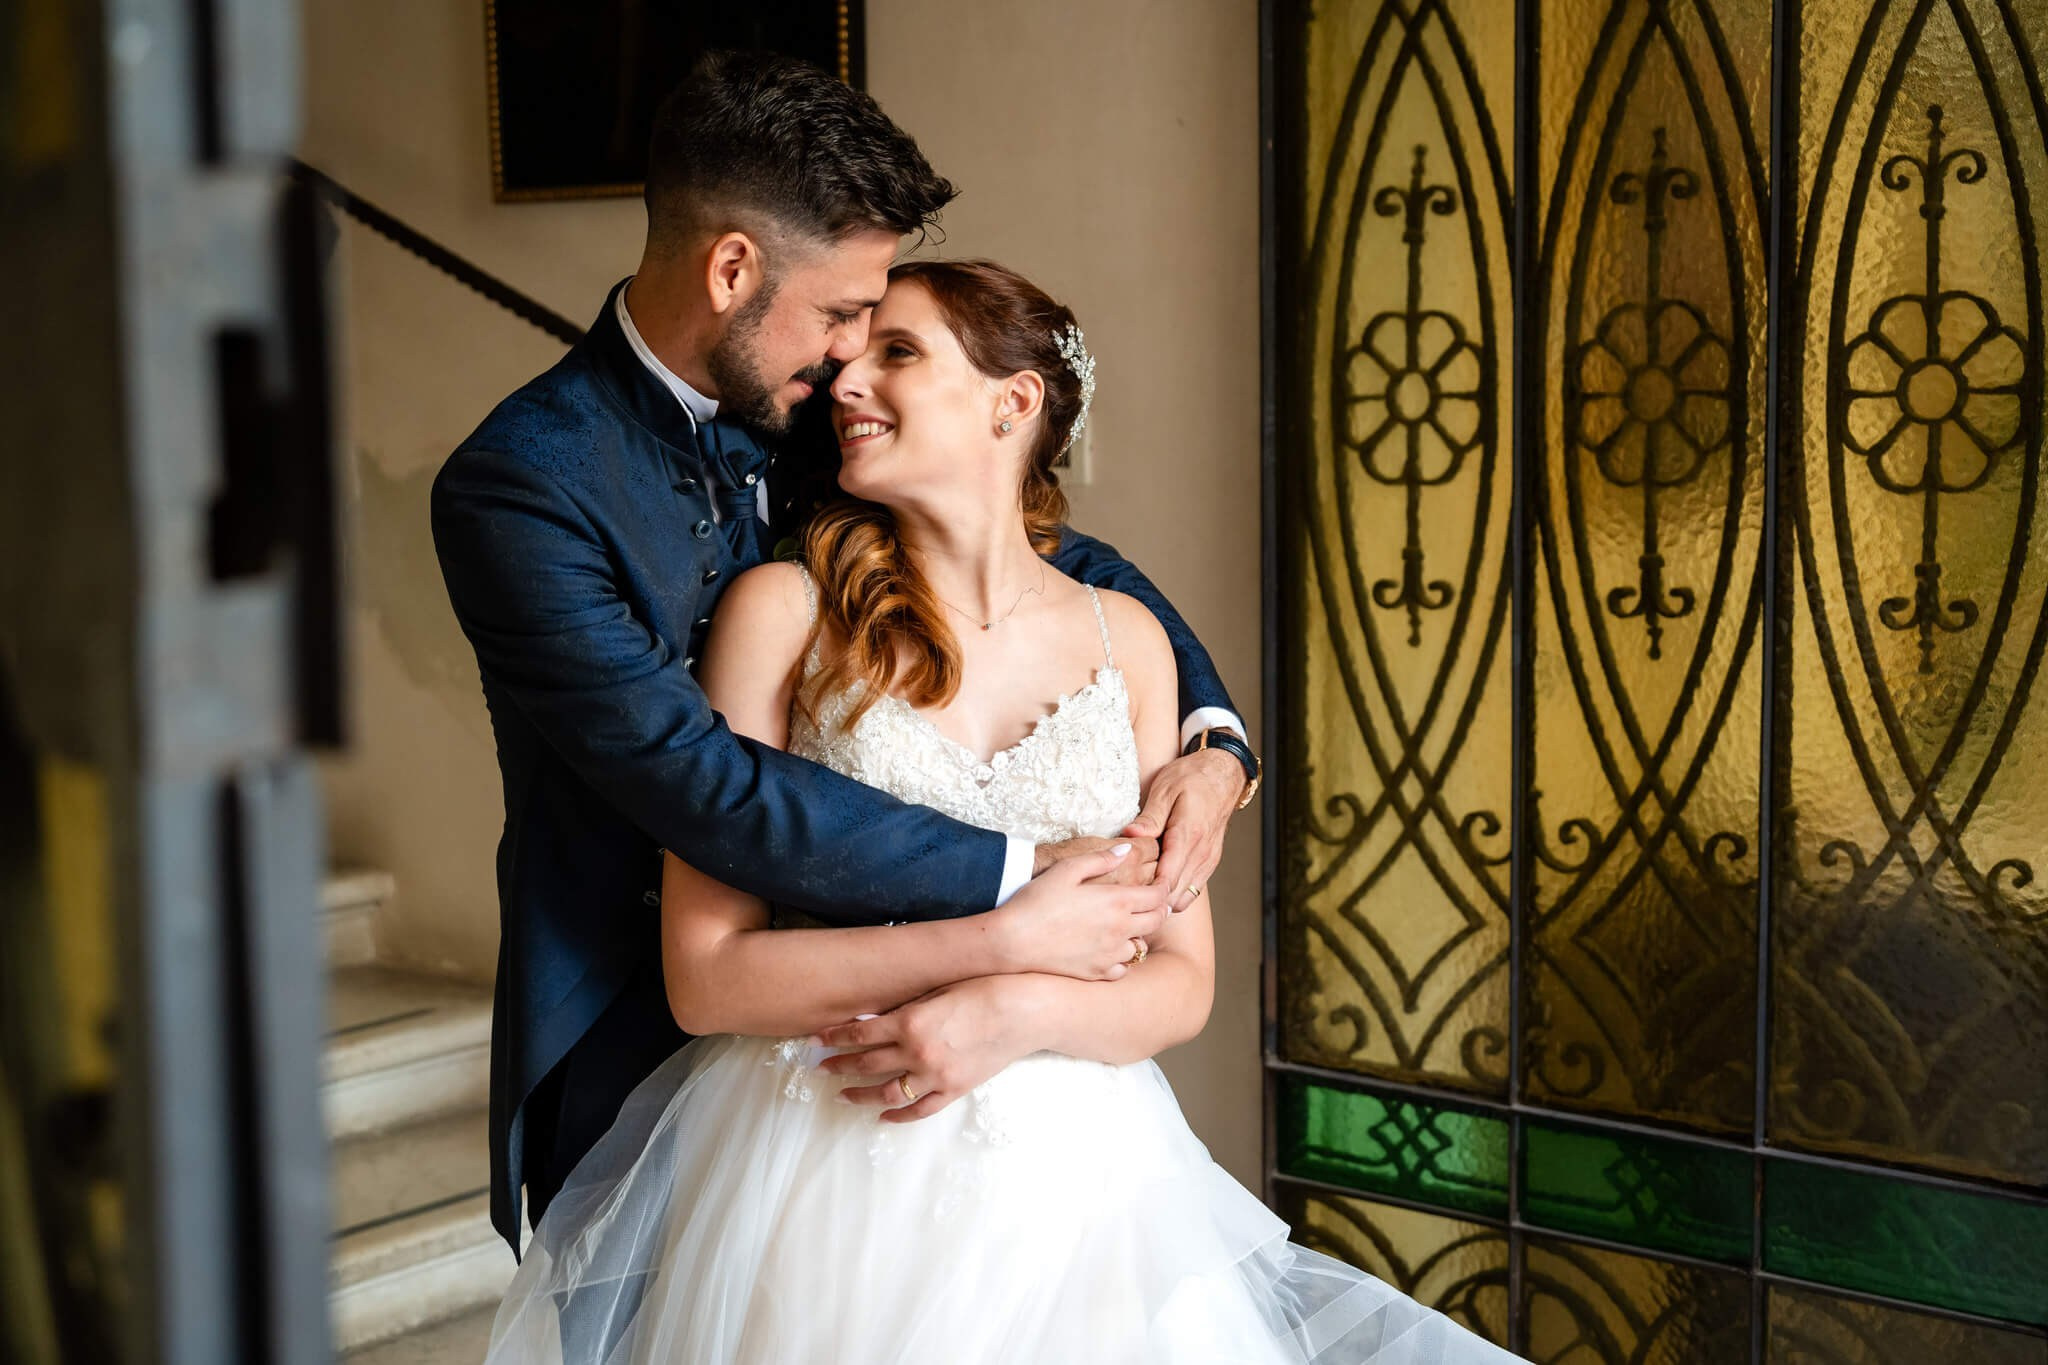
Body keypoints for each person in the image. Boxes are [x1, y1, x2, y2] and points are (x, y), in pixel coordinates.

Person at [483, 261, 1522, 1364]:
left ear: (1010, 402)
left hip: (1084, 1192)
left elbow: (1180, 978)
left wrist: (1010, 1015)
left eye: (898, 352)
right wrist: (998, 941)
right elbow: (708, 980)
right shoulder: (779, 611)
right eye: (849, 351)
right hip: (823, 1172)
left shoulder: (1125, 636)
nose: (845, 381)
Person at [431, 51, 1259, 1254]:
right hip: (642, 1025)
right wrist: (1016, 890)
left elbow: (1055, 561)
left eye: (879, 330)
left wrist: (1214, 739)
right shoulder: (520, 488)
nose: (851, 356)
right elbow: (701, 783)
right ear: (732, 270)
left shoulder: (809, 397)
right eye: (838, 315)